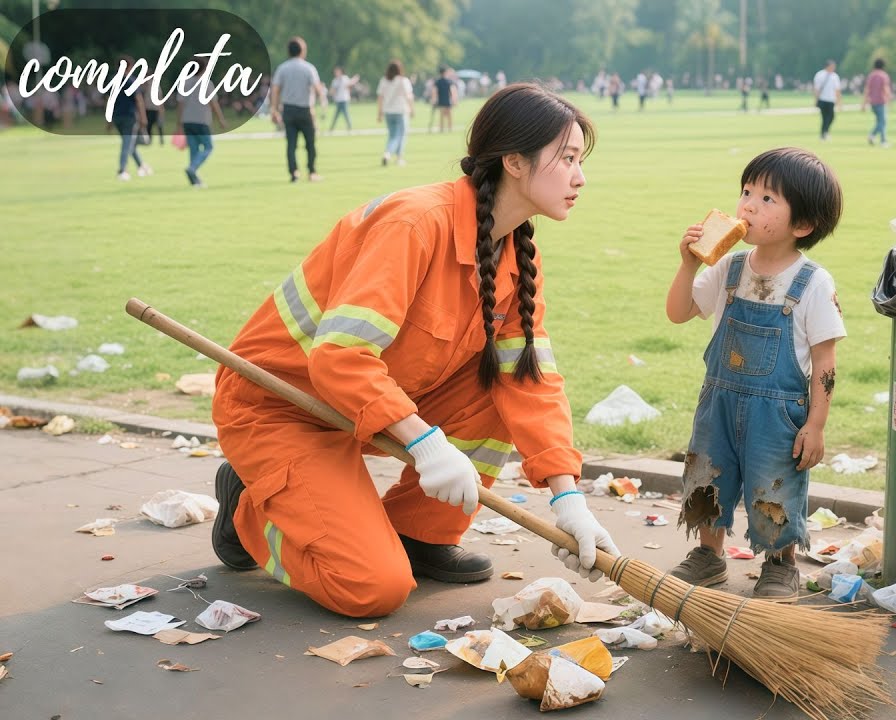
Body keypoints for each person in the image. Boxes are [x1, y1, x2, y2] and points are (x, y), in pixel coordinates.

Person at [209, 83, 619, 619]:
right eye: (566, 158)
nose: (580, 176)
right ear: (515, 162)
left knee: (497, 386)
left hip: (363, 407)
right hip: (280, 407)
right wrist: (426, 444)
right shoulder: (414, 223)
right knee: (371, 589)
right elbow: (340, 357)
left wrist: (568, 500)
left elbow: (528, 380)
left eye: (580, 161)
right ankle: (250, 509)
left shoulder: (515, 250)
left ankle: (419, 532)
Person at [665, 147, 845, 602]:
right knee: (708, 477)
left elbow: (825, 360)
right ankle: (708, 555)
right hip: (719, 403)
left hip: (778, 413)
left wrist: (816, 424)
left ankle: (780, 564)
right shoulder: (729, 267)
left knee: (774, 485)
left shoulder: (813, 282)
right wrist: (689, 263)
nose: (748, 205)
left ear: (802, 225)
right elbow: (678, 312)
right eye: (747, 192)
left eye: (767, 199)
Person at [270, 36, 327, 182]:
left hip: (288, 110)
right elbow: (317, 89)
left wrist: (274, 110)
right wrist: (321, 103)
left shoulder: (282, 68)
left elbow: (275, 90)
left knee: (291, 144)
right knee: (310, 143)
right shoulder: (308, 68)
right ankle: (312, 172)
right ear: (302, 51)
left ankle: (294, 172)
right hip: (305, 110)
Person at [176, 57, 227, 188]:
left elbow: (180, 104)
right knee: (208, 147)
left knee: (194, 149)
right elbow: (213, 104)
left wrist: (179, 122)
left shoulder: (184, 83)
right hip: (201, 120)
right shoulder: (207, 83)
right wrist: (221, 119)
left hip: (187, 120)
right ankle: (192, 168)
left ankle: (195, 180)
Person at [108, 56, 151, 181]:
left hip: (117, 117)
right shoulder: (131, 81)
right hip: (129, 116)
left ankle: (140, 166)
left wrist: (108, 119)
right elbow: (139, 100)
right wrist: (143, 117)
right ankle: (123, 170)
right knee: (127, 144)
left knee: (128, 144)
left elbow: (109, 101)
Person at [377, 60, 415, 166]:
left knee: (392, 135)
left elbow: (380, 97)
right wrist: (412, 109)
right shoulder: (403, 81)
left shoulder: (384, 80)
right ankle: (396, 157)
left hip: (388, 112)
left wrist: (379, 113)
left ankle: (388, 153)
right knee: (401, 136)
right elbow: (408, 96)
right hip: (401, 111)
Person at [862, 58, 892, 147]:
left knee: (880, 121)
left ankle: (881, 139)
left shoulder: (871, 76)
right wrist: (889, 99)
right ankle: (877, 137)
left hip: (872, 102)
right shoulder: (884, 76)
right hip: (881, 101)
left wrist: (864, 103)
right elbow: (885, 88)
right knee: (882, 122)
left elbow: (867, 90)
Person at [813, 59, 841, 141]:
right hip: (822, 99)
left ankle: (825, 131)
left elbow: (837, 90)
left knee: (831, 116)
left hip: (831, 99)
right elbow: (816, 89)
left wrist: (838, 100)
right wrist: (816, 99)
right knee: (824, 117)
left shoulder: (835, 76)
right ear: (828, 66)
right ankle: (824, 133)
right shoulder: (820, 75)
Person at [329, 67, 359, 132]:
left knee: (345, 114)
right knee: (336, 115)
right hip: (338, 100)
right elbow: (332, 90)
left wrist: (355, 79)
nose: (336, 73)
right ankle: (332, 128)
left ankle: (349, 127)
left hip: (344, 99)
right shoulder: (335, 80)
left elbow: (350, 84)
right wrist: (331, 93)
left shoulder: (345, 78)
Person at [430, 66, 458, 133]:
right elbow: (452, 91)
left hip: (441, 100)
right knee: (449, 115)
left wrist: (433, 100)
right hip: (448, 100)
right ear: (445, 72)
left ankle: (441, 128)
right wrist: (454, 100)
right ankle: (450, 128)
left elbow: (434, 91)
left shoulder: (437, 82)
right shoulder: (449, 81)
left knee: (441, 115)